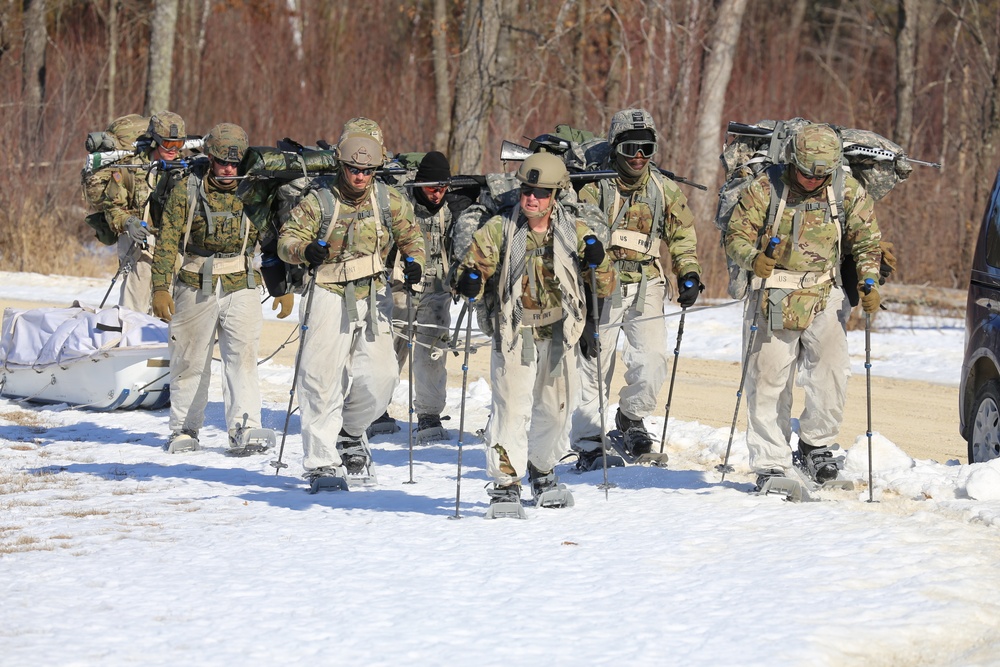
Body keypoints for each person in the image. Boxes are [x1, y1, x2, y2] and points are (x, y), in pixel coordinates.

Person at [724, 122, 881, 489]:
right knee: (768, 379)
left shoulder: (846, 191)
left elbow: (867, 241)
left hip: (825, 293)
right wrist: (752, 259)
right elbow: (736, 236)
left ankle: (816, 446)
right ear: (793, 160)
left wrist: (868, 278)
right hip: (773, 294)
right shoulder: (766, 188)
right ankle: (771, 461)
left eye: (822, 173)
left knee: (831, 374)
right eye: (807, 172)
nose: (813, 180)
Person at [455, 152, 616, 509]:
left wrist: (598, 259)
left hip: (560, 332)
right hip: (515, 330)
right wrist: (468, 281)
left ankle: (542, 471)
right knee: (511, 409)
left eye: (541, 192)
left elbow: (603, 285)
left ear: (555, 195)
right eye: (527, 190)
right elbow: (472, 269)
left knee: (558, 411)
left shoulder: (575, 231)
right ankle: (505, 483)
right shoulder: (500, 229)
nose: (532, 198)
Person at [278, 118, 425, 484]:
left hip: (373, 294)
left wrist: (414, 262)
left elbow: (412, 237)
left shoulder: (389, 201)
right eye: (353, 169)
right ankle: (321, 461)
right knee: (320, 378)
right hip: (326, 291)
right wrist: (304, 250)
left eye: (367, 170)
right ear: (341, 165)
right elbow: (286, 242)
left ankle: (350, 432)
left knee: (382, 377)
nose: (359, 176)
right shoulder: (319, 202)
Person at [569, 108, 703, 466]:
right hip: (602, 285)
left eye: (647, 149)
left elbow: (682, 237)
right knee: (595, 363)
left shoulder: (663, 189)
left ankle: (631, 418)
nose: (639, 157)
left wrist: (688, 272)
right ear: (616, 148)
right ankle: (587, 439)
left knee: (652, 359)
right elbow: (579, 235)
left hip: (647, 282)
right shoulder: (594, 188)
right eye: (630, 149)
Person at [151, 123, 293, 453]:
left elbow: (271, 239)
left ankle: (245, 428)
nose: (229, 170)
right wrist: (160, 287)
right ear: (210, 158)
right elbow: (167, 242)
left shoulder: (254, 191)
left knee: (243, 359)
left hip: (241, 283)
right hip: (194, 281)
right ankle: (184, 429)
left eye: (235, 163)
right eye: (222, 162)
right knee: (189, 360)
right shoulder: (186, 189)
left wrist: (281, 284)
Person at [376, 151, 455, 441]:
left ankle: (429, 415)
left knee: (432, 350)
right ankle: (374, 409)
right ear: (420, 182)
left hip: (436, 289)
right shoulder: (400, 203)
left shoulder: (452, 208)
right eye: (432, 188)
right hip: (399, 285)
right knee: (388, 348)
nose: (437, 195)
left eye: (443, 188)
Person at [100, 111, 189, 314]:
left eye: (178, 145)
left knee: (173, 306)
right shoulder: (130, 169)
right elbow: (112, 207)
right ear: (155, 141)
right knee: (134, 307)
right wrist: (129, 222)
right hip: (139, 245)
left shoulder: (186, 170)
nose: (173, 150)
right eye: (168, 144)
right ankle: (129, 341)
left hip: (174, 246)